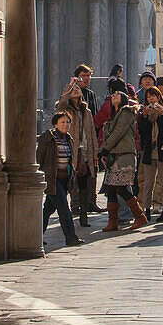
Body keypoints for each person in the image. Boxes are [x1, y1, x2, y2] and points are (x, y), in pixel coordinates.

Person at [99, 89, 148, 232]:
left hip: (123, 153)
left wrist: (104, 149)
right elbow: (108, 135)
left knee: (121, 186)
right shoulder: (113, 115)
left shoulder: (126, 111)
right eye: (112, 94)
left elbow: (119, 132)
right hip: (113, 154)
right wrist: (102, 150)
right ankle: (112, 221)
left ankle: (139, 215)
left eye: (117, 94)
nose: (114, 96)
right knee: (111, 188)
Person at [56, 80, 97, 227]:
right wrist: (69, 86)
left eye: (77, 89)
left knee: (84, 181)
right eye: (73, 89)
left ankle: (84, 214)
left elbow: (92, 133)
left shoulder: (86, 111)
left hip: (85, 149)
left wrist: (95, 154)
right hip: (69, 150)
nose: (76, 90)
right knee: (71, 181)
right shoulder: (66, 109)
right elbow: (60, 104)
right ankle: (73, 207)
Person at [37, 112, 81, 246]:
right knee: (64, 208)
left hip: (64, 180)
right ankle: (71, 237)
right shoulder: (48, 137)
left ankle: (35, 235)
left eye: (67, 122)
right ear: (55, 124)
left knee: (48, 210)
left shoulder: (68, 138)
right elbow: (40, 157)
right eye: (62, 122)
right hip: (52, 179)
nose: (65, 125)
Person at [138, 85, 163, 221]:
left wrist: (162, 113)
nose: (151, 98)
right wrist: (143, 116)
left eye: (153, 95)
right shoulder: (145, 113)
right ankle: (146, 209)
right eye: (148, 96)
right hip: (149, 152)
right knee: (148, 183)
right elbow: (141, 131)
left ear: (159, 97)